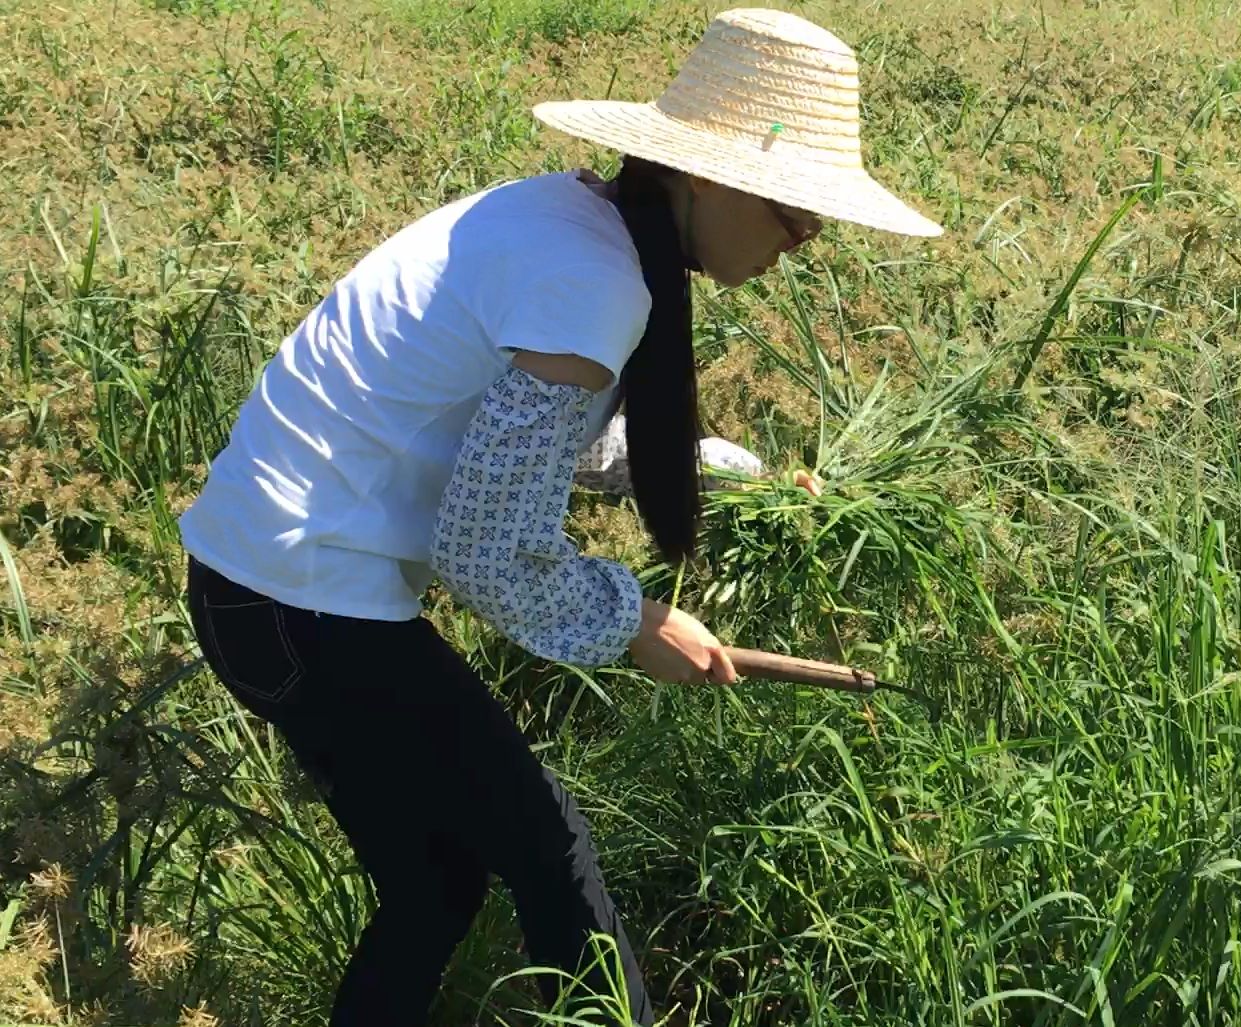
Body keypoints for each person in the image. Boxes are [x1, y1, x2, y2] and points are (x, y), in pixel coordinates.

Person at [178, 7, 941, 1026]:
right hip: (306, 603)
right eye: (796, 220)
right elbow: (489, 545)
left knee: (438, 881)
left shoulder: (564, 218)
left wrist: (730, 476)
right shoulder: (595, 280)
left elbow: (544, 442)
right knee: (550, 848)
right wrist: (637, 623)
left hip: (251, 587)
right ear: (710, 177)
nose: (799, 249)